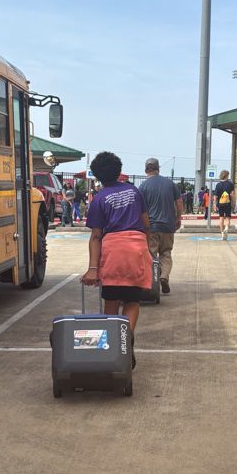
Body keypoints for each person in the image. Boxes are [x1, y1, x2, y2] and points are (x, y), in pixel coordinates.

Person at [82, 152, 152, 368]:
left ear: (97, 176)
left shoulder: (99, 199)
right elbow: (146, 224)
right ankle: (126, 340)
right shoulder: (134, 191)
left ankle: (114, 345)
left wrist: (93, 268)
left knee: (111, 302)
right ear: (119, 170)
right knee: (132, 301)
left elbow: (96, 236)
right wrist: (145, 247)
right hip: (136, 248)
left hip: (112, 251)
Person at [139, 157, 183, 295]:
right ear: (158, 168)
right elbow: (179, 202)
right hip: (168, 226)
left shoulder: (143, 186)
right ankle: (164, 276)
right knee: (166, 253)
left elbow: (140, 209)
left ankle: (153, 282)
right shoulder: (170, 184)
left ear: (146, 170)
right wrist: (178, 217)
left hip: (151, 227)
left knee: (151, 256)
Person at [213, 169, 235, 241]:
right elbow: (232, 195)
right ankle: (226, 228)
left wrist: (214, 204)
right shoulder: (230, 184)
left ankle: (222, 233)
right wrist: (233, 203)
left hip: (220, 204)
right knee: (228, 218)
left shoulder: (218, 185)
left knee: (221, 218)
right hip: (228, 203)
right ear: (227, 176)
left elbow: (215, 196)